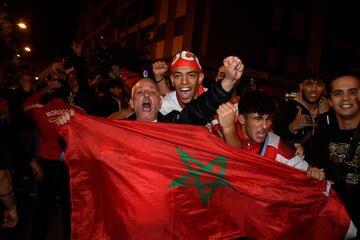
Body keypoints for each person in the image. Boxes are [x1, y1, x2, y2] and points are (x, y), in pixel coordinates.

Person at [57, 56, 244, 125]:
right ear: (131, 103)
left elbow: (199, 109)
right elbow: (92, 135)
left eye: (152, 92)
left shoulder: (172, 124)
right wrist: (73, 124)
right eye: (139, 92)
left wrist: (227, 82)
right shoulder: (119, 129)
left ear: (161, 101)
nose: (146, 95)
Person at [23, 78, 85, 240]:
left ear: (50, 94)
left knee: (43, 207)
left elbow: (25, 105)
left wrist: (44, 89)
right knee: (69, 207)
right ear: (67, 95)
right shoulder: (78, 110)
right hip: (69, 165)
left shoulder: (39, 110)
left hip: (47, 165)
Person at [217, 91, 325, 181]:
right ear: (242, 119)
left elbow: (308, 170)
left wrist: (315, 172)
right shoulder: (221, 131)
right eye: (258, 118)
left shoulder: (275, 146)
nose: (265, 126)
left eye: (268, 118)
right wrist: (228, 130)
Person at [307, 71, 360, 233]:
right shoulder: (321, 137)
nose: (345, 98)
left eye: (353, 92)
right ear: (330, 101)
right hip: (335, 224)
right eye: (338, 93)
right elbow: (310, 171)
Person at [274, 68, 332, 150]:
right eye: (309, 84)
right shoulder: (287, 108)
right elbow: (274, 137)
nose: (314, 89)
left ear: (323, 87)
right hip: (293, 161)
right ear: (301, 86)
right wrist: (292, 127)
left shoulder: (330, 112)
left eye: (319, 84)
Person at [154, 51, 207, 115]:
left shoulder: (213, 101)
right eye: (178, 76)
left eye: (191, 75)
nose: (184, 81)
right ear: (172, 80)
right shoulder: (165, 106)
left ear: (200, 78)